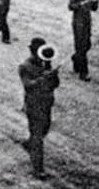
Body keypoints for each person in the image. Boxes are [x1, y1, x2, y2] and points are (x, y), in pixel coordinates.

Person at [19, 37, 60, 180]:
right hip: (33, 105)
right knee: (38, 137)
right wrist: (42, 79)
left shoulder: (47, 65)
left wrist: (53, 76)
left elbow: (55, 85)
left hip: (46, 103)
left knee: (44, 130)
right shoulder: (25, 66)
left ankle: (30, 143)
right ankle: (38, 169)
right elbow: (27, 85)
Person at [69, 0, 98, 80]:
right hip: (78, 23)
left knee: (87, 45)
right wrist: (81, 4)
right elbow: (71, 6)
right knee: (81, 47)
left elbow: (94, 9)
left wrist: (95, 0)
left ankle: (76, 59)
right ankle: (83, 73)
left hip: (86, 22)